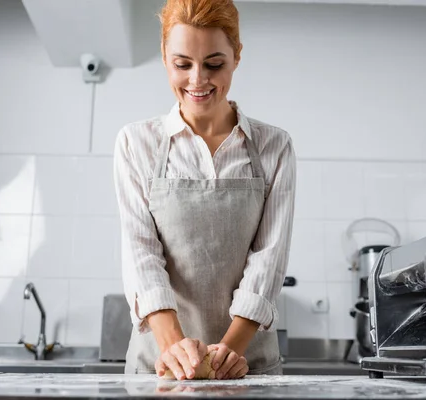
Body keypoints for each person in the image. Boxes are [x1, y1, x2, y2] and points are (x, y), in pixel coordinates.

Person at [113, 0, 296, 381]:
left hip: (247, 364)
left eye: (214, 64)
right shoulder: (136, 143)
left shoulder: (273, 146)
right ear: (164, 56)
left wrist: (229, 350)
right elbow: (140, 252)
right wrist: (175, 347)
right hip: (160, 364)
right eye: (182, 64)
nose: (197, 80)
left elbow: (269, 256)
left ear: (237, 57)